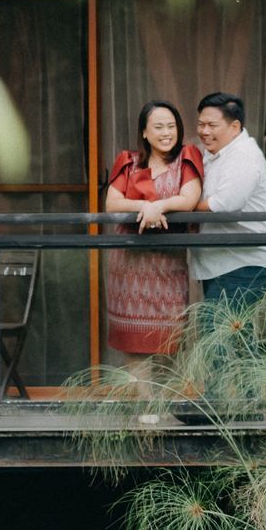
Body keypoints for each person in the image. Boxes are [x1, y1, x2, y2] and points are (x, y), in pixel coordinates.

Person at [103, 101, 204, 357]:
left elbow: (188, 200)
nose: (166, 133)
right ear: (145, 132)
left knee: (168, 347)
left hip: (168, 265)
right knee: (134, 351)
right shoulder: (129, 162)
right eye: (159, 127)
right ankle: (139, 388)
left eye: (171, 126)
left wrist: (159, 206)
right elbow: (112, 204)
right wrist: (146, 207)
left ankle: (163, 387)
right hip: (129, 265)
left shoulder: (186, 158)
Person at [190, 92, 266, 313]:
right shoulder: (214, 153)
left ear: (235, 126)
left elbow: (223, 204)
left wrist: (182, 206)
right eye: (201, 124)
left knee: (218, 332)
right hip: (221, 263)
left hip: (242, 264)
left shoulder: (243, 154)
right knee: (227, 333)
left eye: (212, 125)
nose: (204, 131)